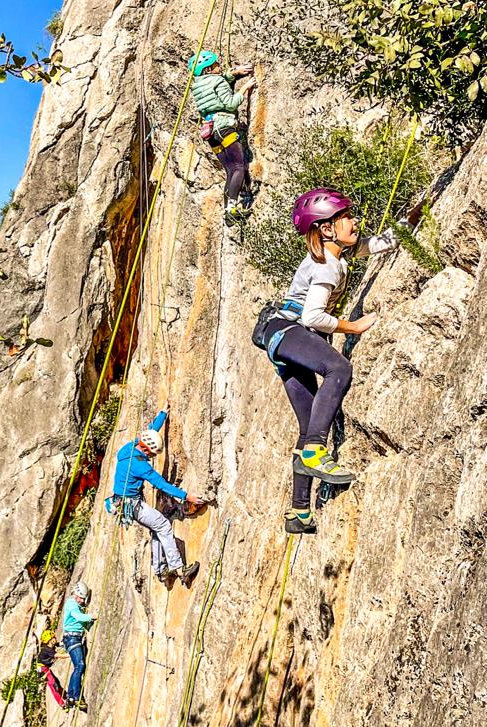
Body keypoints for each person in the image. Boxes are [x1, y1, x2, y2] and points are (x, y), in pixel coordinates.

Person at [260, 187, 411, 534]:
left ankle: (299, 512)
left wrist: (412, 220)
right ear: (326, 229)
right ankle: (315, 452)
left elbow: (375, 244)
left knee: (308, 425)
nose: (355, 221)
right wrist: (353, 326)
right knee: (339, 368)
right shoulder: (326, 265)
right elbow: (313, 316)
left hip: (281, 339)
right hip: (290, 331)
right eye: (346, 217)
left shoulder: (337, 253)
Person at [111, 407, 204, 587]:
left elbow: (149, 432)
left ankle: (160, 569)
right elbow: (161, 484)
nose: (152, 457)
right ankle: (179, 569)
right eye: (152, 454)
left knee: (156, 528)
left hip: (123, 503)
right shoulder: (141, 466)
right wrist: (186, 496)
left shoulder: (129, 448)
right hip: (134, 506)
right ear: (146, 451)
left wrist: (163, 414)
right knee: (163, 525)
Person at [187, 50, 258, 222]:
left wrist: (233, 73)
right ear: (209, 68)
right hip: (224, 127)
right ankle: (231, 208)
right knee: (239, 167)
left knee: (230, 170)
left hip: (211, 132)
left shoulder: (198, 85)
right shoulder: (217, 81)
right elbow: (231, 103)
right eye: (216, 64)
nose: (219, 66)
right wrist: (245, 88)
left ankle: (228, 209)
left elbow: (218, 82)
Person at [61, 581, 94, 712]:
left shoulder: (77, 605)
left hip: (74, 637)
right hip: (71, 638)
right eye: (80, 598)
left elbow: (79, 620)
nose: (81, 601)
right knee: (79, 665)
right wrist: (91, 617)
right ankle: (74, 696)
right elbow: (77, 616)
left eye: (83, 599)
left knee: (79, 666)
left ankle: (72, 696)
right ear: (75, 594)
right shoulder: (71, 604)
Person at [36, 628, 67, 707]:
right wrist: (70, 655)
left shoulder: (52, 646)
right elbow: (59, 656)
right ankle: (61, 703)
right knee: (53, 684)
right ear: (50, 640)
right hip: (43, 670)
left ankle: (65, 696)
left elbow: (61, 645)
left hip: (45, 668)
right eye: (54, 637)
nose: (55, 638)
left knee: (56, 683)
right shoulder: (47, 650)